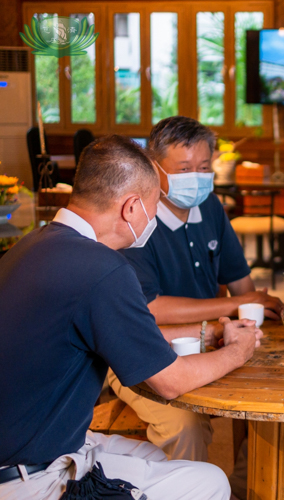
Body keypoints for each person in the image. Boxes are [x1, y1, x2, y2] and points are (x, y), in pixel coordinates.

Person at [0, 135, 263, 500]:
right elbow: (172, 382)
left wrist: (214, 329)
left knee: (158, 457)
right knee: (211, 481)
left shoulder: (32, 245)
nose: (154, 219)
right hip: (33, 474)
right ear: (132, 207)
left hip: (35, 444)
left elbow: (127, 331)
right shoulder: (103, 269)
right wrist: (239, 350)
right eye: (155, 207)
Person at [111, 116, 282, 462]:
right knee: (185, 423)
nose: (196, 177)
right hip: (141, 347)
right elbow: (151, 308)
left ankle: (244, 482)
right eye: (184, 168)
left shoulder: (210, 206)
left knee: (271, 390)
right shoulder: (137, 218)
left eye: (204, 167)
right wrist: (241, 304)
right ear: (154, 168)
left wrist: (254, 307)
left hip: (209, 337)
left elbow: (241, 284)